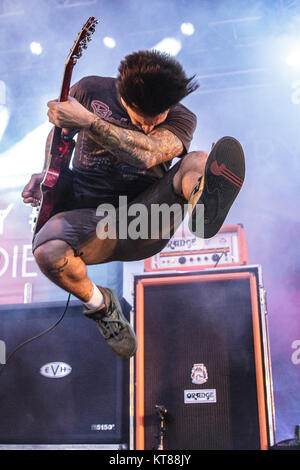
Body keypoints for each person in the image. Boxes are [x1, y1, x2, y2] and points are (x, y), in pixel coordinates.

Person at [22, 50, 245, 359]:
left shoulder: (183, 117)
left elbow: (147, 154)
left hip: (147, 218)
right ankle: (100, 306)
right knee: (46, 252)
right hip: (92, 220)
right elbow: (58, 135)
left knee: (197, 160)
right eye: (143, 122)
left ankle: (202, 198)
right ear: (123, 98)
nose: (150, 128)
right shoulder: (89, 91)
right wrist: (49, 172)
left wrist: (88, 121)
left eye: (158, 120)